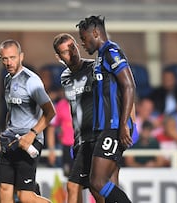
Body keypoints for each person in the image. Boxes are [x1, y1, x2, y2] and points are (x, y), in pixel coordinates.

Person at [77, 15, 135, 202]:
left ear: (95, 33)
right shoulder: (101, 58)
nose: (83, 44)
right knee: (109, 182)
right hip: (105, 127)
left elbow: (129, 85)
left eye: (84, 38)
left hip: (115, 125)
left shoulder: (111, 52)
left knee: (97, 182)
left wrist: (124, 124)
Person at [53, 33, 114, 203]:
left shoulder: (95, 68)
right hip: (80, 141)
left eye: (72, 47)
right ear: (58, 57)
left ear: (78, 46)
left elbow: (117, 92)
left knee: (76, 186)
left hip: (97, 138)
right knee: (94, 189)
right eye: (65, 52)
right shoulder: (64, 77)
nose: (71, 53)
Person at [0, 39, 55, 203]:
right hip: (11, 141)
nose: (8, 62)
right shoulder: (7, 79)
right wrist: (5, 133)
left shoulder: (31, 80)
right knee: (3, 189)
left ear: (21, 56)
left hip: (30, 142)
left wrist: (32, 134)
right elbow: (12, 110)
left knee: (25, 197)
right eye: (5, 59)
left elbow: (50, 112)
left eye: (12, 57)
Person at [46, 94, 75, 177]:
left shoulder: (84, 102)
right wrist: (51, 150)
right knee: (67, 177)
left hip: (81, 144)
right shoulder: (61, 105)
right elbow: (51, 128)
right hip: (66, 146)